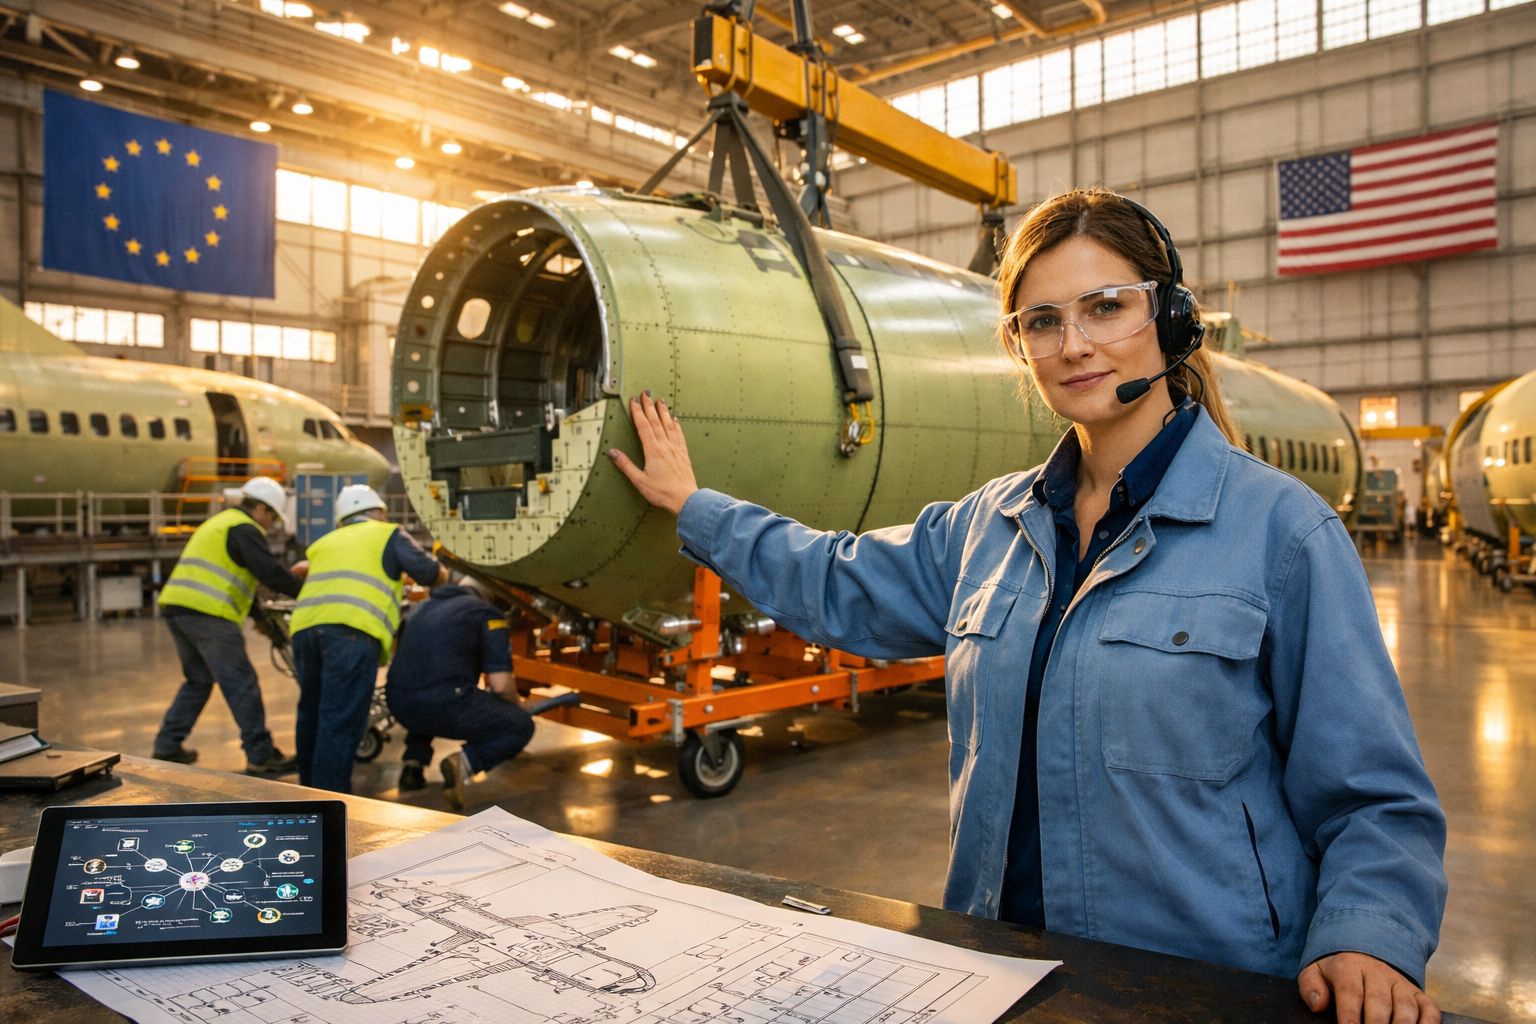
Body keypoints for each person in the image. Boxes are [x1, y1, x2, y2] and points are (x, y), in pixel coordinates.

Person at [608, 188, 1448, 1024]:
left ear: (1172, 319)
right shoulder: (990, 526)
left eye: (1106, 307)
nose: (1075, 344)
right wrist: (695, 508)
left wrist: (1367, 934)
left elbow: (1373, 795)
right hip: (997, 976)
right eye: (1041, 322)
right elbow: (837, 581)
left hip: (1200, 989)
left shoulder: (1282, 533)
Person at [289, 484, 445, 793]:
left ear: (342, 519)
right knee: (340, 719)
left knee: (312, 712)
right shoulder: (387, 533)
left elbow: (302, 571)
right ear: (379, 511)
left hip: (305, 630)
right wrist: (444, 576)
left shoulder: (324, 541)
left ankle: (307, 795)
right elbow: (428, 573)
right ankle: (328, 801)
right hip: (351, 632)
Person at [152, 476, 303, 774]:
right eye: (272, 515)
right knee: (240, 681)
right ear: (260, 508)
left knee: (198, 680)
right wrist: (310, 592)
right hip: (208, 615)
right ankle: (260, 755)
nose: (272, 524)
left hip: (179, 608)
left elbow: (240, 582)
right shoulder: (244, 528)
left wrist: (265, 623)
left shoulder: (221, 523)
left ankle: (167, 746)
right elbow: (269, 572)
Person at [386, 576, 530, 809]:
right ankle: (463, 763)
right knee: (520, 725)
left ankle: (413, 764)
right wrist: (516, 705)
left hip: (399, 702)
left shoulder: (420, 607)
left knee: (426, 688)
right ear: (493, 593)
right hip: (443, 704)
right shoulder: (486, 612)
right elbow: (501, 685)